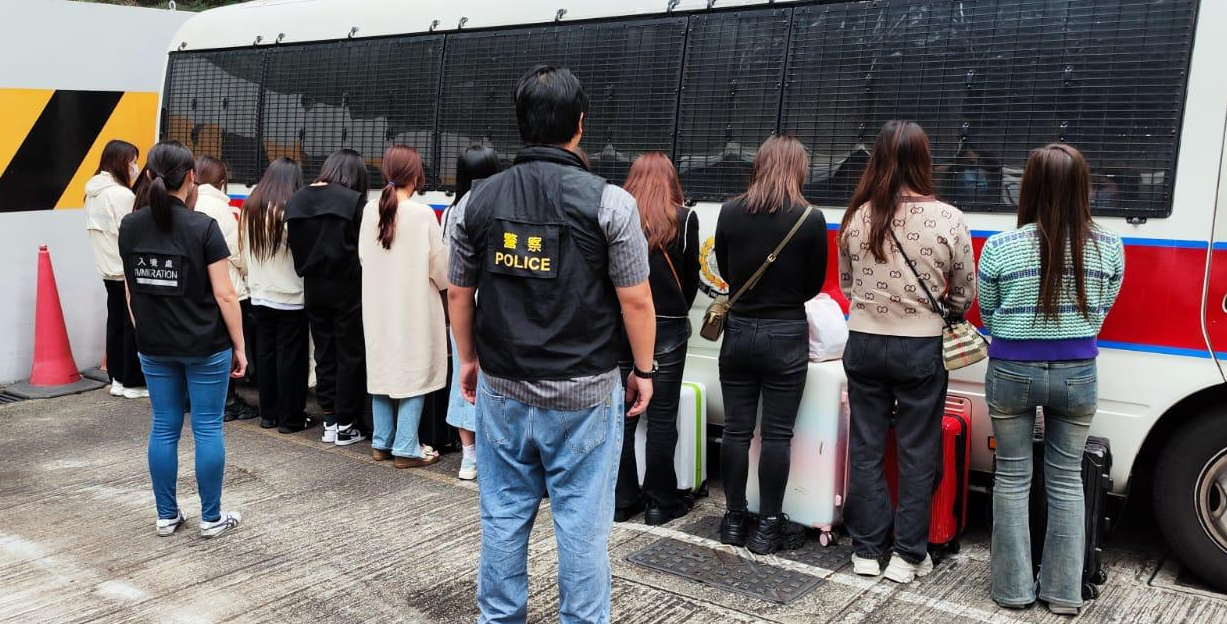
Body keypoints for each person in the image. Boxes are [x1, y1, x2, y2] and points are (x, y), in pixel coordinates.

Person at [448, 65, 656, 624]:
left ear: (521, 124)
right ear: (580, 124)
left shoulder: (474, 204)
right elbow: (637, 301)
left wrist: (468, 358)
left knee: (502, 519)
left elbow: (459, 292)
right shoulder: (611, 204)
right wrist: (644, 370)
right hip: (584, 394)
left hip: (503, 387)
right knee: (582, 529)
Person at [979, 144, 1124, 615]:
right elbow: (1102, 312)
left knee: (1012, 477)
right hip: (1077, 373)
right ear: (1083, 187)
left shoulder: (1000, 247)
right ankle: (1063, 592)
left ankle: (1012, 590)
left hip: (1011, 371)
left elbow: (988, 313)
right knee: (1065, 480)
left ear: (1029, 186)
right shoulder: (1110, 247)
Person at [838, 120, 976, 583]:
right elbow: (964, 291)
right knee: (919, 451)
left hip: (863, 342)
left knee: (866, 446)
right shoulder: (949, 218)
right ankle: (907, 555)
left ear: (876, 157)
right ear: (924, 160)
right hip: (921, 346)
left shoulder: (858, 215)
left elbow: (848, 285)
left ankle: (865, 550)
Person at [118, 140, 245, 539]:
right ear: (191, 177)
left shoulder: (130, 226)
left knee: (163, 427)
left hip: (154, 345)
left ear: (149, 175)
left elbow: (130, 289)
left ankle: (166, 515)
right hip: (205, 345)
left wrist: (143, 329)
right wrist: (240, 346)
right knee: (207, 428)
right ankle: (211, 517)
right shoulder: (202, 227)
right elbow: (225, 295)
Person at [714, 134, 828, 554]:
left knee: (736, 431)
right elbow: (813, 284)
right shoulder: (810, 218)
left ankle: (733, 519)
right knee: (777, 435)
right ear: (798, 168)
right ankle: (767, 527)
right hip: (785, 334)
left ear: (758, 165)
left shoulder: (729, 212)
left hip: (739, 331)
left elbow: (726, 270)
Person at [614, 152, 700, 525]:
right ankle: (659, 503)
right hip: (667, 327)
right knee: (663, 418)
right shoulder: (684, 218)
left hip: (620, 324)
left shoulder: (617, 216)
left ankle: (621, 500)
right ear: (671, 180)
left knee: (622, 417)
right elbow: (691, 279)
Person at [359, 145, 448, 468]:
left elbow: (364, 257)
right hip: (414, 307)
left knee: (382, 370)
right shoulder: (422, 214)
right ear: (416, 175)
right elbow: (440, 269)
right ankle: (407, 446)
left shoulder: (371, 209)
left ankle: (382, 441)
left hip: (378, 305)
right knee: (415, 372)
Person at [285, 149, 369, 447]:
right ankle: (346, 423)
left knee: (324, 352)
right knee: (349, 354)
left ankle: (330, 420)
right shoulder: (353, 201)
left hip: (312, 286)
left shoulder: (297, 199)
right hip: (348, 287)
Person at [242, 158, 314, 434]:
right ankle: (290, 418)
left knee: (266, 354)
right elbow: (301, 252)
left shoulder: (251, 207)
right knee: (291, 359)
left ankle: (268, 414)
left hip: (259, 293)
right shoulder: (289, 209)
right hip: (290, 295)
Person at [442, 145, 500, 480]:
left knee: (463, 377)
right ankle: (493, 454)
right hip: (495, 301)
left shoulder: (454, 211)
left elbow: (451, 268)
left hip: (461, 300)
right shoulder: (501, 207)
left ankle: (468, 457)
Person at [193, 156, 256, 422]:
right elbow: (236, 252)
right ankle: (228, 401)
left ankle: (196, 398)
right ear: (222, 181)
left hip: (196, 286)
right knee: (227, 349)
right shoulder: (220, 208)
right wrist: (248, 274)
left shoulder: (189, 201)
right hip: (225, 285)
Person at [85, 139, 147, 399]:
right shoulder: (121, 195)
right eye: (132, 161)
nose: (135, 167)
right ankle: (132, 382)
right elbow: (132, 232)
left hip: (107, 268)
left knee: (115, 323)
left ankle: (117, 379)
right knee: (131, 324)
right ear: (120, 162)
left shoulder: (93, 191)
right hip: (125, 269)